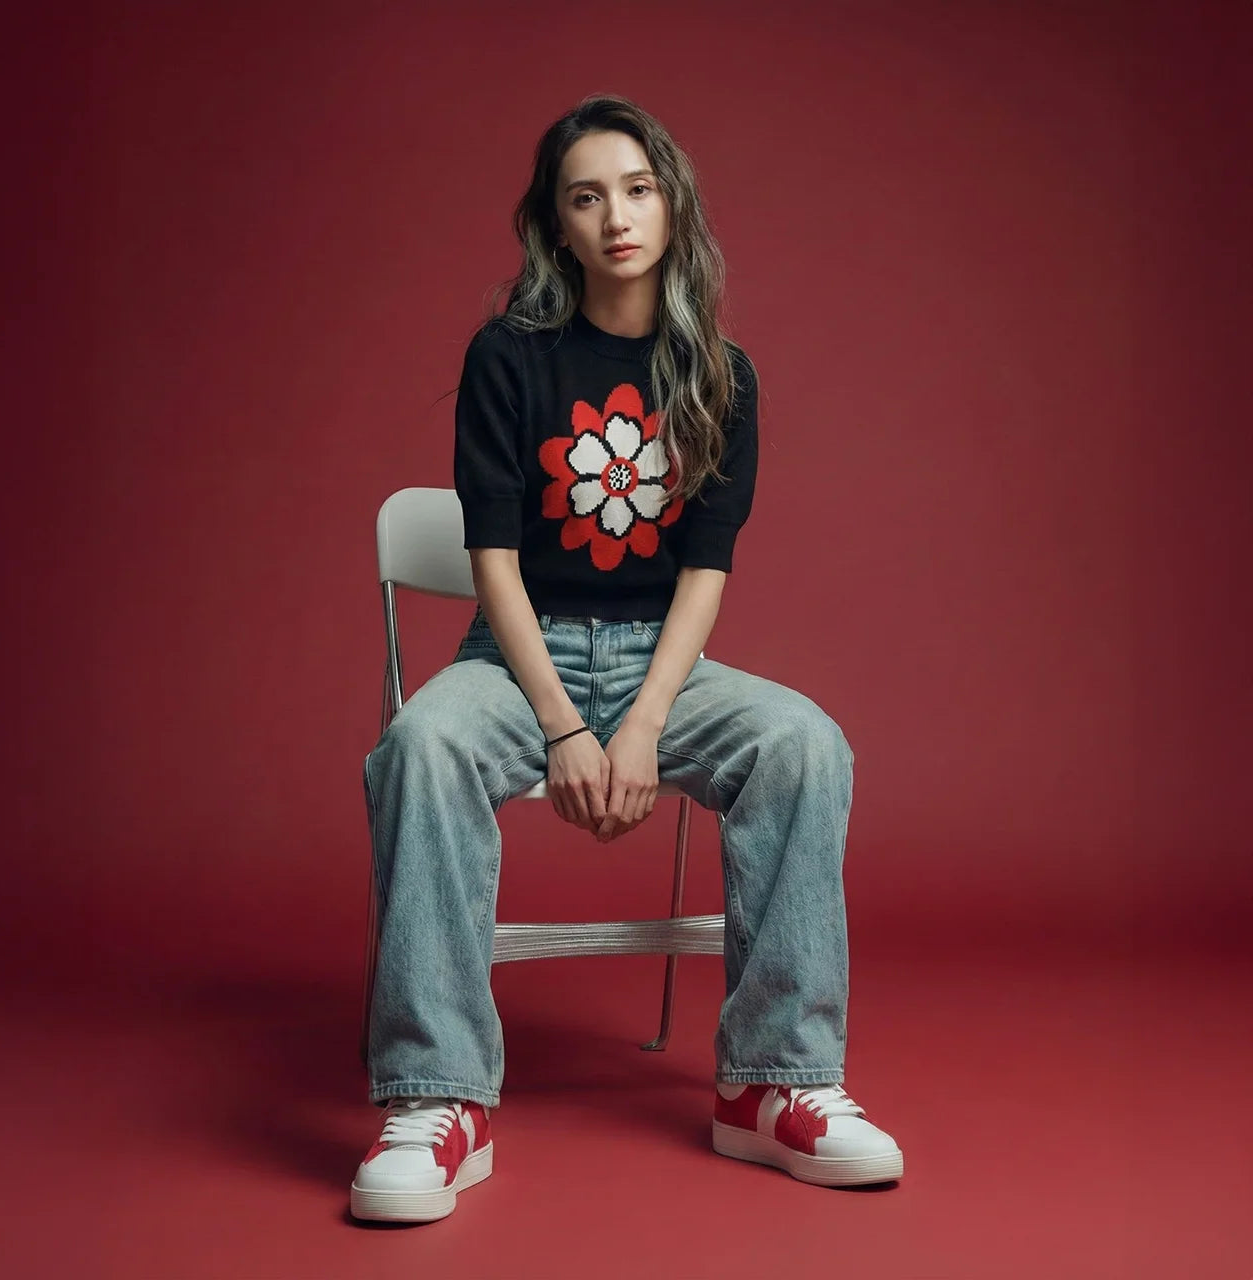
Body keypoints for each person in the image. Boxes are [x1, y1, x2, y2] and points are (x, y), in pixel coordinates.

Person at [350, 94, 904, 1224]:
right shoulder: (508, 357)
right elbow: (492, 559)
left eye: (637, 189)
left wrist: (645, 718)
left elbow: (704, 573)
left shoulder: (720, 375)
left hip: (665, 661)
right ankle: (437, 1099)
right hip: (516, 657)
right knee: (418, 745)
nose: (616, 216)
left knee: (803, 742)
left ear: (672, 204)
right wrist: (560, 721)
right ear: (556, 225)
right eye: (586, 195)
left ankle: (773, 1081)